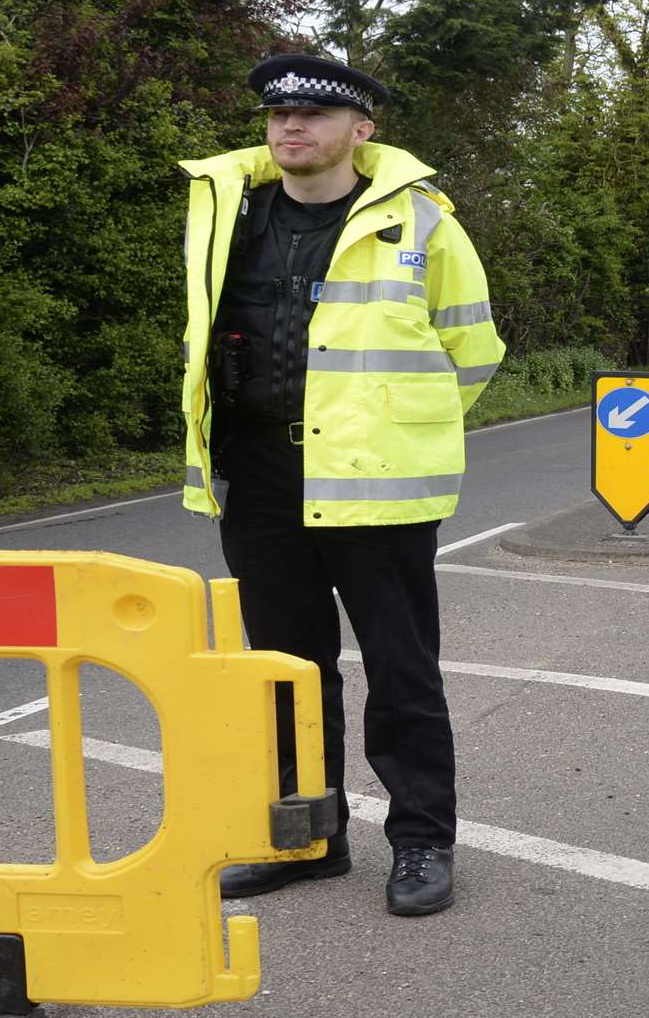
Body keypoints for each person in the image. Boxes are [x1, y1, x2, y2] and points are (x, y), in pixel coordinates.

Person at [176, 54, 506, 916]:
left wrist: (395, 431)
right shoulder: (227, 213)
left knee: (402, 674)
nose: (291, 127)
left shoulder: (424, 223)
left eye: (315, 116)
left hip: (377, 484)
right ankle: (308, 841)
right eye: (279, 114)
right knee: (286, 675)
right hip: (258, 480)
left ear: (362, 131)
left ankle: (423, 842)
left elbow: (472, 352)